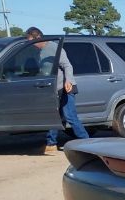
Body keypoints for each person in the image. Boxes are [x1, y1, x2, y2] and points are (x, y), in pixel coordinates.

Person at [24, 26, 89, 155]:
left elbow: (67, 65)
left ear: (38, 37)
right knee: (53, 117)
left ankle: (88, 143)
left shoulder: (54, 48)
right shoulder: (38, 52)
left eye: (30, 40)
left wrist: (68, 81)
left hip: (65, 87)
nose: (29, 43)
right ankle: (51, 144)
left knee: (70, 116)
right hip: (52, 89)